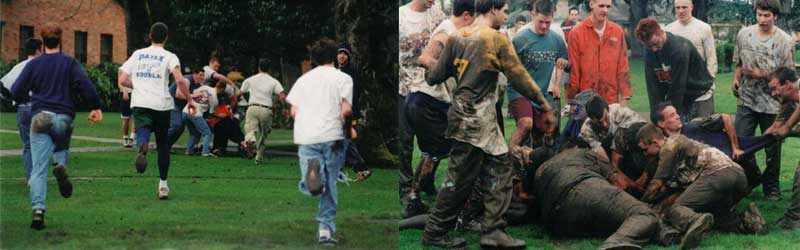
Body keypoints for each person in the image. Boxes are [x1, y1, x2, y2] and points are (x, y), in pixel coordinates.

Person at [420, 0, 553, 248]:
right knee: (459, 178)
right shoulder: (495, 38)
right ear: (492, 9)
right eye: (505, 10)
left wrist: (427, 63)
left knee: (501, 168)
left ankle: (493, 230)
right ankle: (435, 232)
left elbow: (434, 76)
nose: (507, 15)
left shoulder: (457, 37)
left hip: (471, 117)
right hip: (474, 119)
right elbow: (519, 76)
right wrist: (543, 105)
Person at [11, 23, 103, 230]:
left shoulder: (33, 64)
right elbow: (85, 84)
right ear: (60, 40)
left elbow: (16, 90)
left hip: (39, 116)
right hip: (62, 115)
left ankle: (38, 210)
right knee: (62, 136)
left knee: (38, 169)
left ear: (43, 43)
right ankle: (60, 165)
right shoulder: (69, 63)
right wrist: (95, 106)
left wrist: (29, 97)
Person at [637, 124, 767, 246]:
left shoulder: (668, 147)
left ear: (654, 142)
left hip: (718, 175)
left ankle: (694, 220)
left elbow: (655, 185)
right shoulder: (680, 146)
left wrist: (639, 206)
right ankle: (751, 221)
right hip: (739, 176)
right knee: (719, 216)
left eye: (645, 149)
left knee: (677, 208)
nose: (645, 154)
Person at [286, 38, 354, 246]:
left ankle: (312, 182)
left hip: (307, 135)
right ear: (335, 57)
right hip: (333, 135)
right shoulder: (342, 78)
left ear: (313, 59)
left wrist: (308, 123)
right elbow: (346, 110)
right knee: (331, 182)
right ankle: (324, 229)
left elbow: (293, 110)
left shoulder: (304, 80)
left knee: (316, 183)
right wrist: (349, 129)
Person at [118, 22, 197, 200]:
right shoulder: (170, 56)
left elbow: (123, 78)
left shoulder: (138, 54)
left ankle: (142, 146)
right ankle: (163, 185)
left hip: (140, 102)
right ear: (166, 38)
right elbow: (180, 80)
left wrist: (136, 85)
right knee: (163, 146)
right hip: (161, 104)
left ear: (150, 36)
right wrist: (190, 100)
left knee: (143, 130)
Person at [534, 147, 662, 250]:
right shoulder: (583, 153)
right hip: (582, 187)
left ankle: (664, 233)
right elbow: (620, 184)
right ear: (574, 147)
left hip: (557, 223)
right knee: (643, 214)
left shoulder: (541, 171)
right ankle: (611, 246)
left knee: (622, 220)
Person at [732, 0, 796, 201]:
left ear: (775, 16)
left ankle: (772, 187)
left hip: (773, 103)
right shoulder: (744, 34)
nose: (762, 19)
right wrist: (736, 79)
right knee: (740, 142)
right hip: (747, 99)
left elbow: (789, 77)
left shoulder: (785, 40)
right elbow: (739, 63)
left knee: (773, 146)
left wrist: (761, 74)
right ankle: (751, 178)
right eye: (759, 14)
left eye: (767, 15)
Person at [398, 0, 446, 218]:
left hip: (430, 88)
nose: (433, 1)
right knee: (405, 144)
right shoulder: (401, 17)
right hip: (403, 87)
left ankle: (425, 183)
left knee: (436, 142)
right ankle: (406, 191)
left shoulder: (437, 15)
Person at [506, 0, 564, 155]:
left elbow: (562, 62)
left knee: (544, 132)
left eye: (548, 22)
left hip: (541, 95)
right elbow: (510, 70)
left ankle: (530, 168)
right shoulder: (520, 39)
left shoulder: (556, 39)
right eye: (541, 22)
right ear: (532, 15)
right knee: (526, 124)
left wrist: (557, 84)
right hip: (520, 92)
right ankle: (507, 160)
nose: (544, 26)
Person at [635, 18, 713, 121]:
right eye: (649, 46)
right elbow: (653, 87)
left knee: (695, 131)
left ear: (661, 32)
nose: (653, 49)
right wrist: (656, 118)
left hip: (698, 93)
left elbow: (677, 87)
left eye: (655, 43)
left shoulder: (680, 49)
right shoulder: (650, 51)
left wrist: (668, 118)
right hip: (679, 93)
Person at [566, 0, 631, 106]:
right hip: (586, 99)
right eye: (601, 6)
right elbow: (573, 70)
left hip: (610, 98)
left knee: (609, 122)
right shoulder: (576, 33)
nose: (605, 10)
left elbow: (623, 66)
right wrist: (572, 101)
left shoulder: (617, 31)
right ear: (591, 4)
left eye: (608, 6)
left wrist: (625, 97)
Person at [664, 0, 718, 119]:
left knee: (704, 128)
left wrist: (708, 84)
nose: (681, 11)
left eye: (684, 7)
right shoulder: (668, 30)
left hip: (702, 91)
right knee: (680, 131)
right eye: (677, 8)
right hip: (679, 91)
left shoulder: (704, 28)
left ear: (692, 7)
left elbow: (711, 59)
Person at [1, 38, 42, 185]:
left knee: (28, 144)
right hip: (39, 108)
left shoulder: (18, 67)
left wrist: (14, 100)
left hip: (23, 108)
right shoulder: (43, 67)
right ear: (38, 50)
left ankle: (31, 177)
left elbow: (2, 87)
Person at [766, 67, 800, 229]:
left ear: (787, 84)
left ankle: (794, 219)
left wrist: (788, 127)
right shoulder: (788, 101)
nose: (773, 94)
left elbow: (785, 127)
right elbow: (775, 128)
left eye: (774, 88)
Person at [242, 58, 286, 164]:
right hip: (266, 109)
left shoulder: (250, 79)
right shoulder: (274, 81)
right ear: (269, 69)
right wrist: (285, 108)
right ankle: (258, 157)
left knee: (250, 129)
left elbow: (240, 92)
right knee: (263, 134)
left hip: (252, 107)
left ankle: (250, 140)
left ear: (258, 68)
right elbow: (282, 96)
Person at [176, 73, 217, 157]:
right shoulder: (215, 98)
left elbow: (192, 94)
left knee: (194, 133)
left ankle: (189, 151)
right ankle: (205, 152)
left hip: (185, 111)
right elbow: (211, 113)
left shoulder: (202, 88)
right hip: (195, 113)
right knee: (207, 133)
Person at [166, 68, 204, 150]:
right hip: (172, 102)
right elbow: (178, 94)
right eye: (200, 75)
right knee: (176, 125)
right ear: (194, 74)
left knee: (180, 129)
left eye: (203, 76)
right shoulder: (187, 80)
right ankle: (162, 143)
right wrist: (194, 96)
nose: (202, 77)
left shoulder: (197, 84)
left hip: (180, 106)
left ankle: (166, 147)